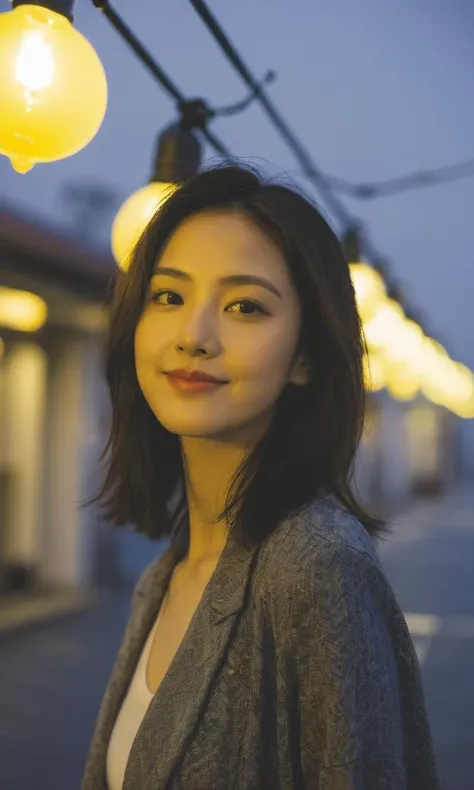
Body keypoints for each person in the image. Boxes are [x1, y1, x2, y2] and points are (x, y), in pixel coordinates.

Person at [81, 163, 441, 790]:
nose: (194, 336)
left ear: (304, 355)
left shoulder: (316, 565)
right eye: (169, 296)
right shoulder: (163, 577)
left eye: (245, 306)